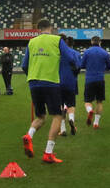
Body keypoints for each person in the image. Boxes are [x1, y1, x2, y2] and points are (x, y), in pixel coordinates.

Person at [21, 20, 72, 164]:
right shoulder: (57, 40)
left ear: (38, 29)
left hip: (34, 82)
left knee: (40, 117)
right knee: (57, 115)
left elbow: (25, 65)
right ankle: (48, 153)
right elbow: (69, 57)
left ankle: (29, 136)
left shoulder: (31, 42)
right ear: (51, 28)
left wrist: (32, 78)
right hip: (50, 81)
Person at [79, 36, 110, 129]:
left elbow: (82, 65)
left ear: (91, 42)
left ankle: (90, 110)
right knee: (99, 102)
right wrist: (101, 68)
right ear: (100, 42)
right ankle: (96, 123)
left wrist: (89, 67)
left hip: (89, 79)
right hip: (100, 79)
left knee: (87, 101)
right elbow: (109, 67)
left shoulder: (87, 52)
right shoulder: (105, 53)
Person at [57, 35, 81, 135]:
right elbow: (79, 68)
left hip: (58, 81)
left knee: (60, 105)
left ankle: (62, 129)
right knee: (71, 104)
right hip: (71, 82)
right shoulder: (76, 53)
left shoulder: (58, 53)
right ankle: (71, 119)